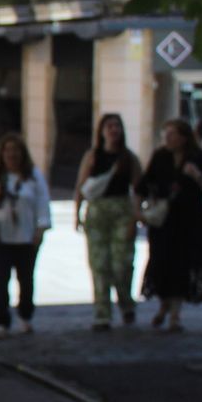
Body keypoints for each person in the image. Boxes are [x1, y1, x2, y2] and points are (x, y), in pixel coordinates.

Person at [0, 132, 52, 338]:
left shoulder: (33, 176)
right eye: (7, 150)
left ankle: (26, 316)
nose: (11, 155)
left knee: (26, 279)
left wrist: (40, 230)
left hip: (26, 236)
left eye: (15, 150)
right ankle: (1, 321)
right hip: (0, 236)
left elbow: (42, 205)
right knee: (0, 280)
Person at [135, 119, 202, 331]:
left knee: (182, 266)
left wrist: (198, 176)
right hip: (163, 222)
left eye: (171, 134)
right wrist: (138, 211)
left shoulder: (199, 157)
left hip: (189, 221)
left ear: (183, 137)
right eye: (165, 134)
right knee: (162, 263)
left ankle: (175, 314)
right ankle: (164, 305)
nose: (167, 139)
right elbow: (144, 184)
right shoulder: (160, 157)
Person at [73, 113, 141, 330]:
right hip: (98, 211)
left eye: (116, 126)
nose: (113, 130)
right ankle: (102, 313)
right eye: (109, 126)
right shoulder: (92, 156)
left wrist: (136, 216)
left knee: (121, 263)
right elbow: (81, 186)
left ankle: (126, 302)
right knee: (99, 264)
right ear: (101, 131)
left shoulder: (128, 158)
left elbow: (139, 189)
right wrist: (77, 212)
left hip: (122, 209)